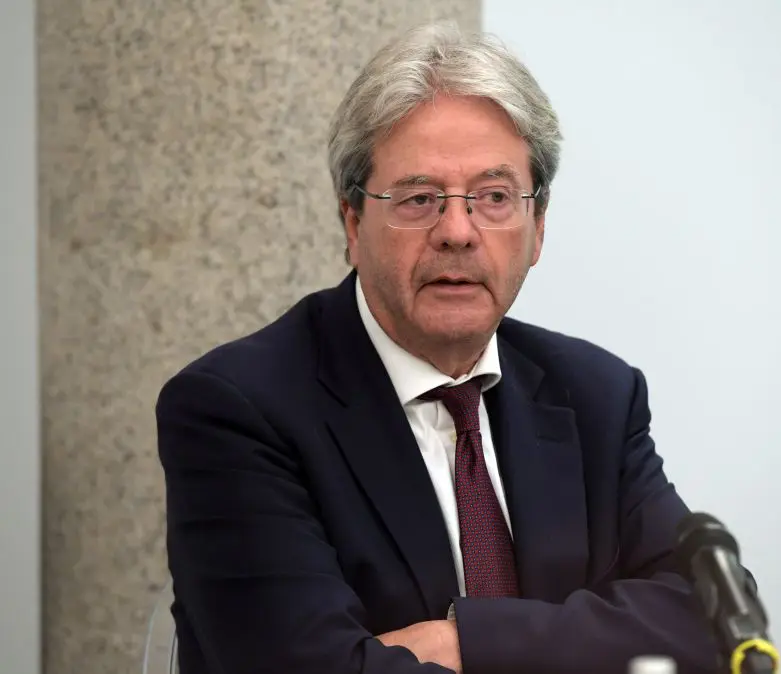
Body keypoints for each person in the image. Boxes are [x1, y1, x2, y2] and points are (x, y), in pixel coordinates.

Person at [156, 22, 722, 674]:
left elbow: (710, 622)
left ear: (538, 228)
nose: (458, 230)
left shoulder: (596, 395)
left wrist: (470, 641)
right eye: (419, 198)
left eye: (494, 197)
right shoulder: (237, 410)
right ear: (352, 223)